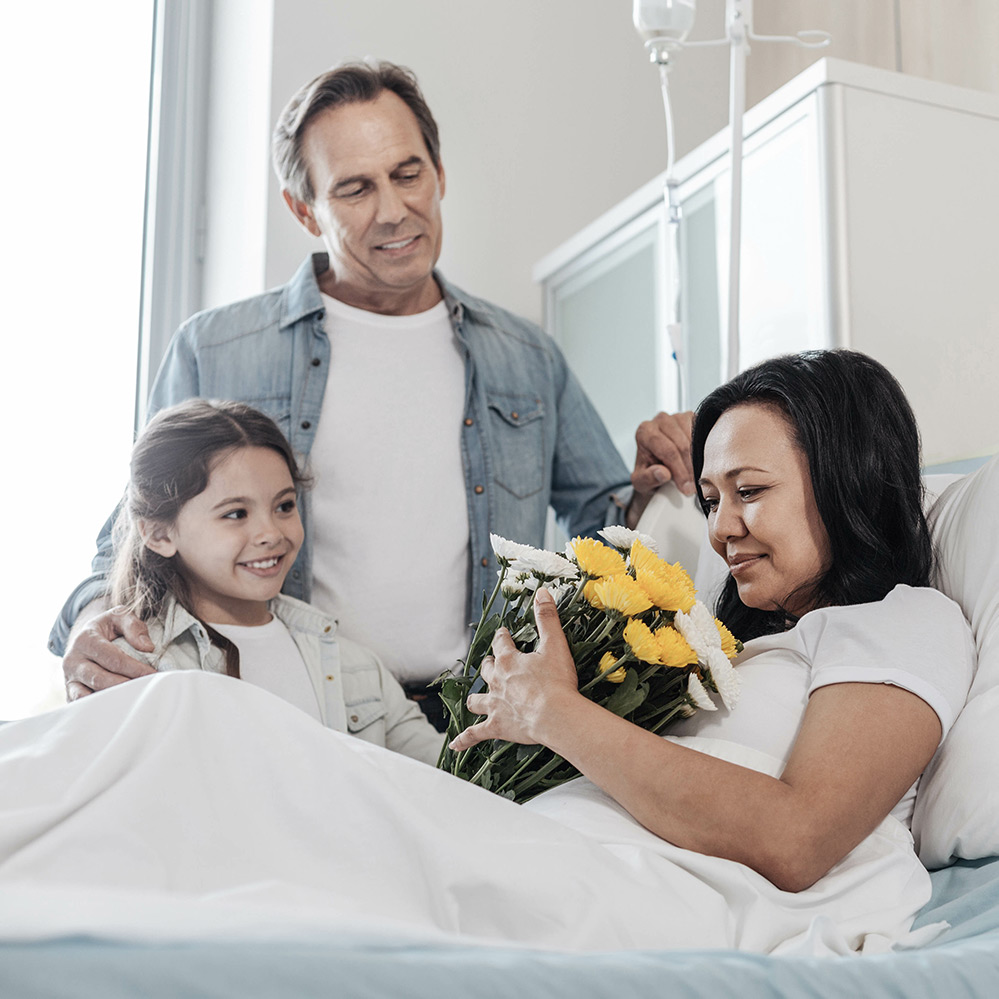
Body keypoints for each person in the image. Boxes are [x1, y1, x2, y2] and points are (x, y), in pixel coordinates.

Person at [8, 349, 975, 953]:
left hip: (611, 890)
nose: (721, 528)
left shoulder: (902, 620)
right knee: (189, 721)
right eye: (711, 498)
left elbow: (796, 838)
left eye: (749, 490)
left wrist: (560, 714)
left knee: (203, 724)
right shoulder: (726, 646)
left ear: (845, 475)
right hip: (533, 843)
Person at [50, 60, 690, 724]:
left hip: (478, 716)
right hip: (290, 712)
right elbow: (129, 533)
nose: (393, 210)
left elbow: (605, 530)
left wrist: (655, 479)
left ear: (439, 175)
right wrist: (93, 621)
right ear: (304, 210)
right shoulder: (216, 348)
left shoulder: (525, 355)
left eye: (407, 174)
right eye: (354, 188)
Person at [105, 396, 442, 765]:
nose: (270, 532)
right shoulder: (133, 666)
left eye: (284, 506)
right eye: (236, 513)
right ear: (159, 534)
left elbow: (449, 778)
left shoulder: (355, 666)